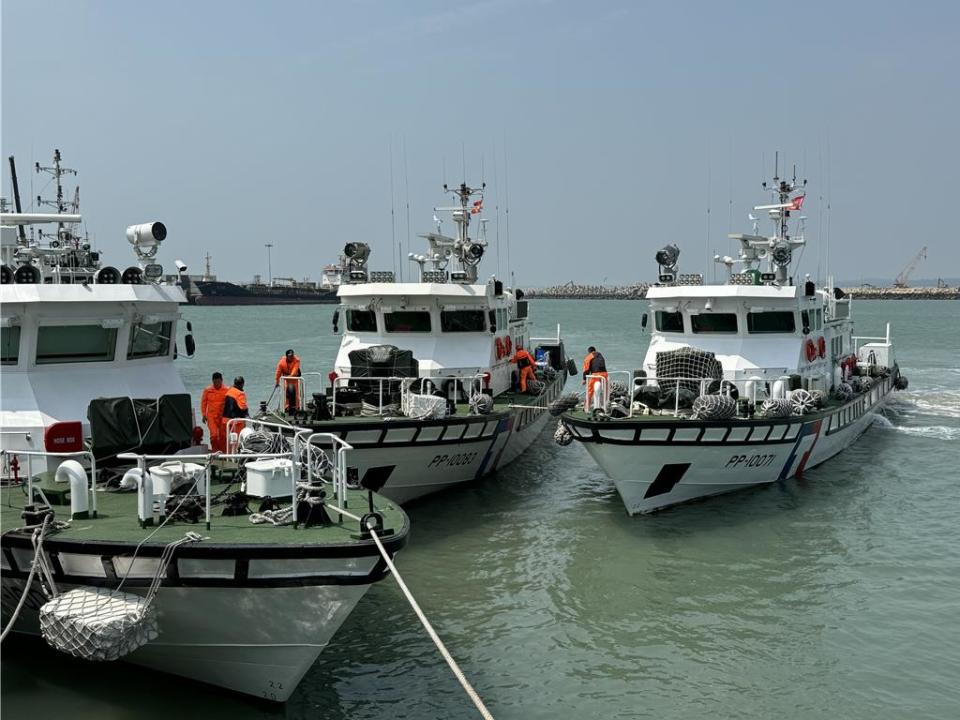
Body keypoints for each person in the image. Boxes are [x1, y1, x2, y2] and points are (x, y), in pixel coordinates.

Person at [200, 371, 228, 452]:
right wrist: (203, 414)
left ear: (222, 380)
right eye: (215, 382)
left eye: (218, 382)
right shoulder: (208, 390)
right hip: (211, 417)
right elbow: (203, 403)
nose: (217, 384)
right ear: (212, 381)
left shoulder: (227, 390)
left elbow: (230, 403)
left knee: (223, 436)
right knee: (214, 435)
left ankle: (223, 453)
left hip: (222, 417)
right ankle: (215, 452)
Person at [222, 376, 249, 447]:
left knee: (229, 439)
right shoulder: (240, 393)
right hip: (237, 421)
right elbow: (243, 407)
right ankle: (236, 455)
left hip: (226, 420)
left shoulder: (229, 391)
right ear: (242, 384)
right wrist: (247, 415)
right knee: (237, 439)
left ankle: (228, 455)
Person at [275, 348, 302, 413]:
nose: (291, 357)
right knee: (286, 393)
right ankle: (287, 407)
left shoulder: (297, 360)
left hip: (294, 378)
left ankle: (296, 406)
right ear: (287, 356)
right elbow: (278, 372)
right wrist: (277, 382)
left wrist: (291, 376)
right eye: (290, 356)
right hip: (286, 379)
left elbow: (295, 370)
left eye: (292, 356)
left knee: (296, 393)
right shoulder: (281, 363)